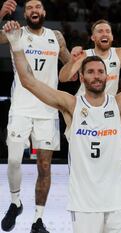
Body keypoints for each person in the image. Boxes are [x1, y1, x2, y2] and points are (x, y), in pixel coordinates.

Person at [2, 20, 121, 233]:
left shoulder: (120, 102)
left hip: (119, 203)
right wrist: (16, 45)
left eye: (100, 71)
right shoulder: (71, 105)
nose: (96, 76)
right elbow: (28, 81)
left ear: (107, 76)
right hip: (85, 206)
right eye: (91, 72)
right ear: (82, 77)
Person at [0, 0, 70, 232]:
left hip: (48, 109)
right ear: (25, 13)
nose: (34, 11)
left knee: (45, 166)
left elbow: (68, 67)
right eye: (29, 8)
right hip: (21, 107)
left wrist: (77, 59)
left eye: (37, 7)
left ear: (44, 12)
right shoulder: (15, 32)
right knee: (13, 161)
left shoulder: (56, 36)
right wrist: (0, 15)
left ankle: (38, 220)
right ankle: (15, 202)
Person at [59, 19, 121, 95]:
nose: (104, 34)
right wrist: (72, 61)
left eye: (108, 31)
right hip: (83, 107)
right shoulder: (84, 55)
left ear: (112, 37)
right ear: (93, 38)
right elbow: (63, 78)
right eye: (100, 31)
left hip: (107, 109)